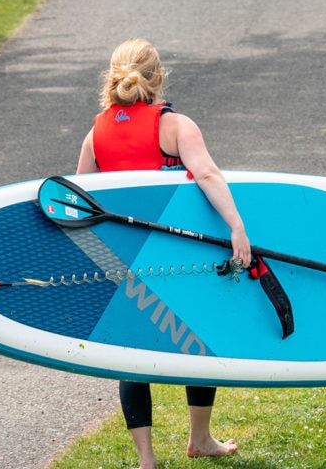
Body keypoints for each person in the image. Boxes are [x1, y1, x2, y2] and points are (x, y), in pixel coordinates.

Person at [76, 38, 251, 469]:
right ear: (159, 77)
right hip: (177, 256)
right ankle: (200, 438)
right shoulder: (174, 126)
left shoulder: (95, 134)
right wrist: (236, 225)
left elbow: (78, 202)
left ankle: (147, 461)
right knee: (199, 336)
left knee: (131, 352)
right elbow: (207, 174)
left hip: (124, 261)